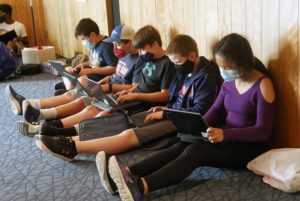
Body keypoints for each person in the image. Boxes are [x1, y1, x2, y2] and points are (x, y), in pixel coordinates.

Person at [34, 34, 222, 194]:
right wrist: (163, 109)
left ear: (192, 56)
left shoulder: (206, 75)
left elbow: (199, 112)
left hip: (182, 121)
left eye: (178, 62)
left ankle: (72, 147)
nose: (176, 67)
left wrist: (165, 113)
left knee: (130, 134)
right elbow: (172, 97)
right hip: (170, 112)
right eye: (174, 62)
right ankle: (67, 136)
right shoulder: (184, 69)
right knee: (121, 121)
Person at [100, 33, 276, 201]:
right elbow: (215, 111)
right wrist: (197, 127)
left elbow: (263, 132)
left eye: (226, 67)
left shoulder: (262, 85)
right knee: (184, 141)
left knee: (195, 152)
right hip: (226, 136)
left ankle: (141, 187)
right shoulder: (230, 82)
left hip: (249, 147)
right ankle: (129, 172)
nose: (222, 71)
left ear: (241, 62)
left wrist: (225, 135)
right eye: (221, 66)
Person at [21, 25, 175, 130]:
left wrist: (124, 91)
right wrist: (123, 88)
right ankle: (46, 117)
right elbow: (137, 83)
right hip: (128, 94)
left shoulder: (158, 63)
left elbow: (162, 93)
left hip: (137, 100)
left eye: (142, 49)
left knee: (94, 108)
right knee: (86, 102)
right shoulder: (142, 59)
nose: (141, 53)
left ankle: (57, 127)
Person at [9, 24, 139, 135]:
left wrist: (110, 86)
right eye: (114, 43)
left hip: (117, 94)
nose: (115, 47)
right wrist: (107, 79)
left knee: (83, 101)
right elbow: (117, 73)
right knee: (76, 95)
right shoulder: (125, 55)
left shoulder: (138, 60)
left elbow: (134, 86)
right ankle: (40, 113)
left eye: (118, 43)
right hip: (107, 87)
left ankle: (47, 121)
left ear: (131, 42)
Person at [6, 18, 118, 116]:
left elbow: (114, 68)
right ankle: (70, 88)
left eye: (84, 39)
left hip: (98, 80)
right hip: (90, 76)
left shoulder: (106, 46)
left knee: (71, 92)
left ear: (93, 35)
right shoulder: (94, 44)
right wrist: (83, 64)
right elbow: (95, 61)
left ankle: (31, 103)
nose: (84, 43)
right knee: (68, 70)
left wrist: (88, 70)